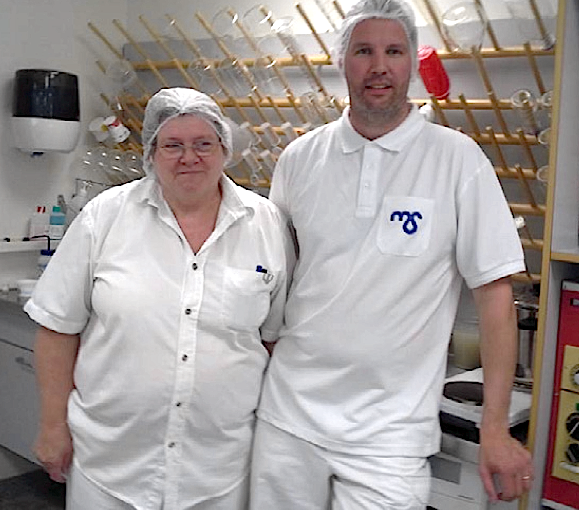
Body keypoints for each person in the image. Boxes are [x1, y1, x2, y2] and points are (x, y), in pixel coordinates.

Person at [250, 0, 534, 508]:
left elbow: (494, 296)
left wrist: (494, 427)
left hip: (391, 437)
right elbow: (278, 281)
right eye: (364, 51)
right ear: (342, 61)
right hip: (289, 420)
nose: (379, 66)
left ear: (411, 62)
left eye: (394, 51)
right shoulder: (300, 159)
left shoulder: (456, 160)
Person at [25, 87, 294, 510]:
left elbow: (274, 340)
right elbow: (57, 328)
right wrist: (52, 426)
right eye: (173, 145)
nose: (189, 157)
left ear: (224, 149)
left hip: (219, 471)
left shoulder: (266, 224)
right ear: (151, 152)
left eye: (203, 144)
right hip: (109, 466)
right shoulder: (105, 216)